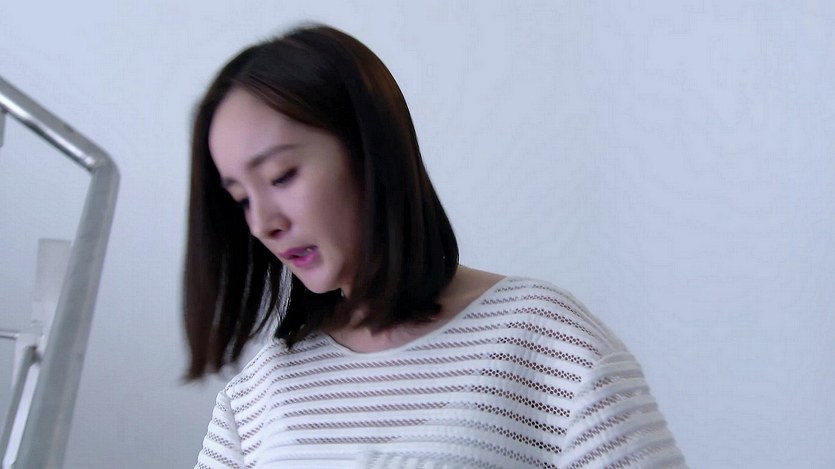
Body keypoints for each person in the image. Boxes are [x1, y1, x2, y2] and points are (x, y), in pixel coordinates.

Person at [184, 24, 686, 468]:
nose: (262, 224)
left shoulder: (543, 341)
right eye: (241, 199)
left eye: (281, 175)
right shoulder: (258, 395)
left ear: (370, 150)